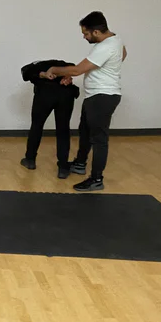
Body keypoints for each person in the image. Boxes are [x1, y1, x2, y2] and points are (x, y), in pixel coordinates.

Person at [43, 12, 127, 192]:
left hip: (102, 97)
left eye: (86, 33)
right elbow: (123, 54)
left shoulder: (105, 47)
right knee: (85, 131)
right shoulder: (115, 40)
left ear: (96, 32)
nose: (84, 36)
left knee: (99, 139)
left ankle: (96, 179)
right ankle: (80, 164)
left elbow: (77, 70)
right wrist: (107, 69)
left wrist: (54, 70)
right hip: (96, 95)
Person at [20, 59, 80, 179]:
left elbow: (26, 73)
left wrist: (42, 75)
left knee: (37, 126)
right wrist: (67, 76)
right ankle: (63, 168)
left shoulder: (35, 67)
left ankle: (30, 159)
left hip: (44, 94)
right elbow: (73, 69)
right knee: (63, 129)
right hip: (66, 95)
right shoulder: (63, 66)